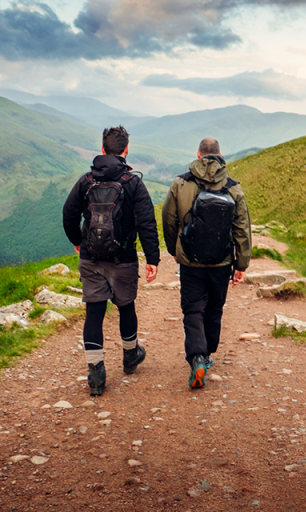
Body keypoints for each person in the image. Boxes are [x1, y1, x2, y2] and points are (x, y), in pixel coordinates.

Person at [62, 126, 160, 396]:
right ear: (126, 150)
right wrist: (153, 258)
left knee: (94, 311)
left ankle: (96, 373)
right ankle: (130, 356)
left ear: (103, 149)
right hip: (124, 257)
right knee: (126, 306)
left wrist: (78, 241)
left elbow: (68, 213)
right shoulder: (133, 182)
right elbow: (147, 222)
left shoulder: (86, 180)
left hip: (90, 257)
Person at [162, 137, 251, 389]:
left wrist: (174, 249)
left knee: (193, 310)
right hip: (221, 263)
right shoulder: (233, 188)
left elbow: (169, 219)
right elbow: (242, 229)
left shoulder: (180, 183)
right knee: (214, 309)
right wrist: (241, 265)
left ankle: (197, 357)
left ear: (198, 155)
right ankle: (207, 353)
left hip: (190, 261)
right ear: (220, 155)